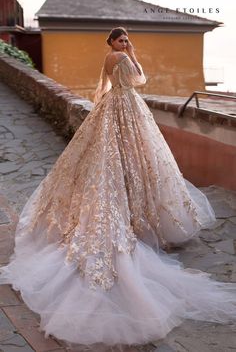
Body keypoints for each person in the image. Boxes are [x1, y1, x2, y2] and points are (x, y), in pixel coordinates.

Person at [0, 26, 236, 352]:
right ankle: (146, 214)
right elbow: (140, 80)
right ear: (112, 42)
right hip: (128, 106)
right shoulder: (123, 57)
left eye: (126, 39)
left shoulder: (108, 58)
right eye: (120, 39)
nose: (124, 43)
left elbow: (108, 85)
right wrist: (134, 53)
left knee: (124, 158)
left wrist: (127, 58)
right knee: (139, 160)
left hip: (113, 105)